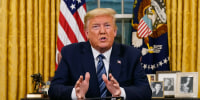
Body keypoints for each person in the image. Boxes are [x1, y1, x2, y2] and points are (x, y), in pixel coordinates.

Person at [48, 8, 152, 100]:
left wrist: (121, 92)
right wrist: (75, 93)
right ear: (87, 33)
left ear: (115, 31)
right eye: (96, 27)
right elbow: (54, 90)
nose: (102, 31)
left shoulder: (131, 55)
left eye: (107, 26)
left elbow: (145, 91)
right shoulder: (71, 54)